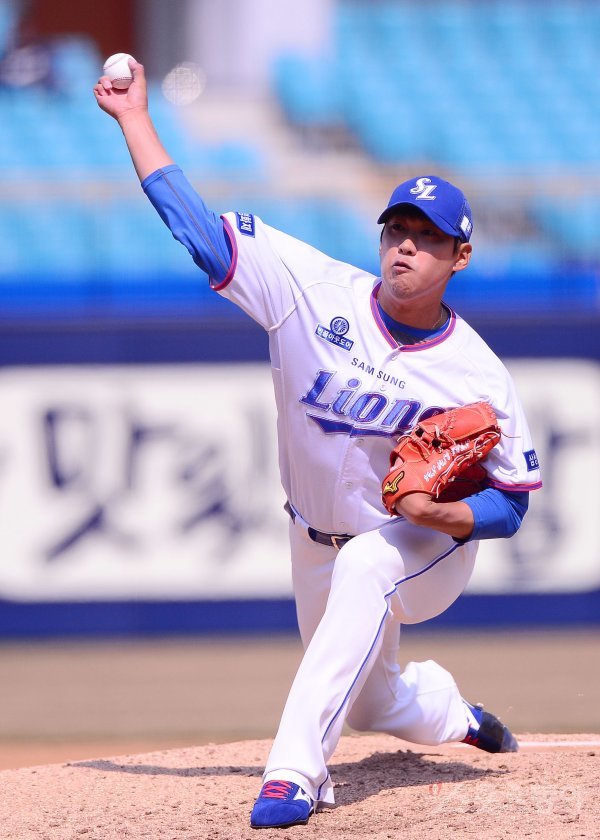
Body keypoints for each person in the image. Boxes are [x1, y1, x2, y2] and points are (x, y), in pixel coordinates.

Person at [94, 60, 542, 830]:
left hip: (420, 545)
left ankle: (294, 776)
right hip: (313, 538)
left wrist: (442, 516)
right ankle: (455, 715)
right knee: (372, 701)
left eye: (428, 238)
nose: (406, 247)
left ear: (459, 257)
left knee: (369, 562)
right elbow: (201, 234)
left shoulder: (477, 373)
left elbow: (513, 502)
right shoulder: (310, 290)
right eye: (398, 230)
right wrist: (135, 119)